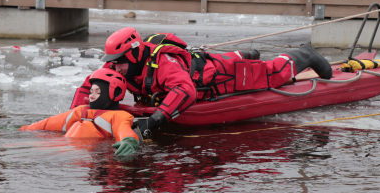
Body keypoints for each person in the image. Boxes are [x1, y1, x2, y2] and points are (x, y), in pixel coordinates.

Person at [71, 27, 333, 138]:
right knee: (233, 61)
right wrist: (74, 114)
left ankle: (303, 54)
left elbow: (186, 90)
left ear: (135, 52)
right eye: (112, 62)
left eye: (119, 61)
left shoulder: (163, 62)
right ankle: (245, 54)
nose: (113, 66)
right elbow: (89, 84)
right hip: (201, 66)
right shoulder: (119, 65)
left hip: (217, 77)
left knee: (273, 73)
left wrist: (153, 121)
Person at [21, 68, 142, 155]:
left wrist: (129, 141)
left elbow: (123, 130)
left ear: (113, 93)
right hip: (61, 146)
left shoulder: (119, 116)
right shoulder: (81, 111)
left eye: (98, 92)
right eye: (91, 91)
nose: (91, 96)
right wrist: (23, 128)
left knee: (24, 153)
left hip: (81, 152)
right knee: (19, 148)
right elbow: (48, 124)